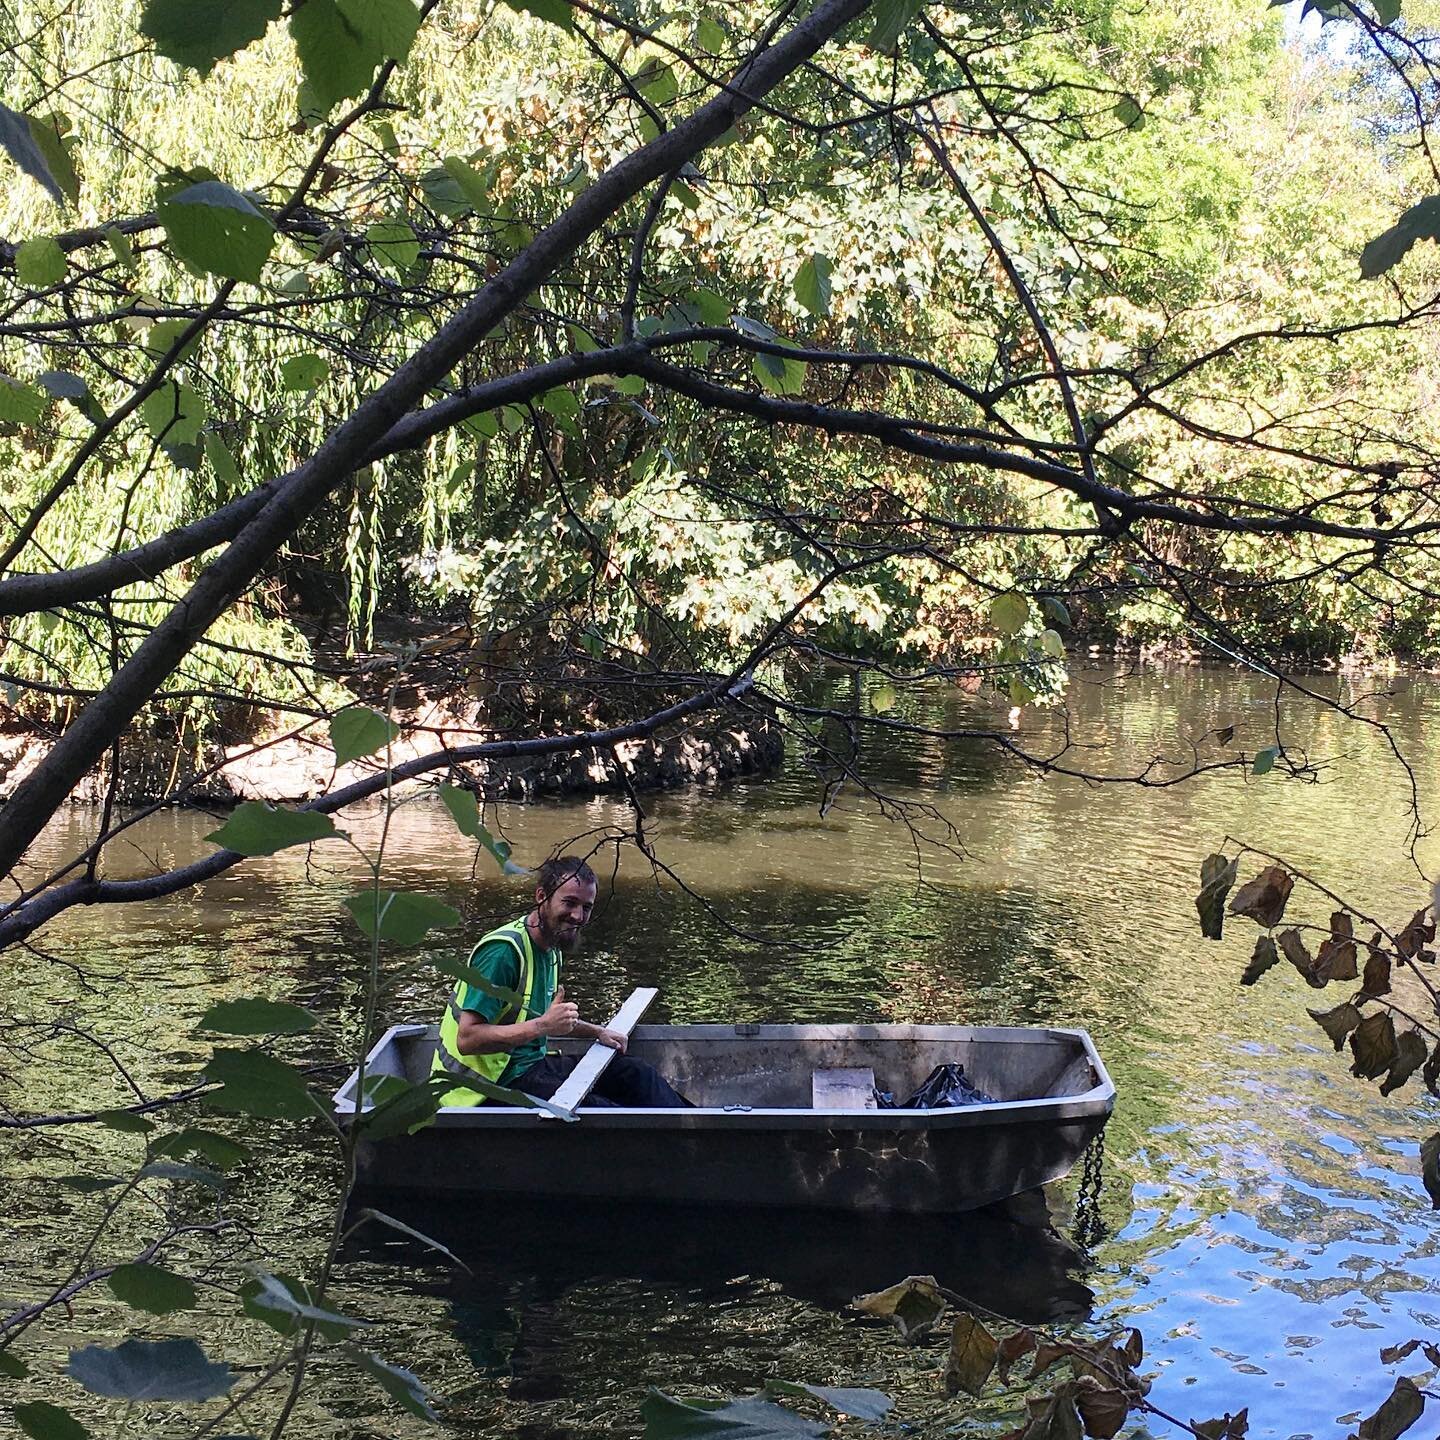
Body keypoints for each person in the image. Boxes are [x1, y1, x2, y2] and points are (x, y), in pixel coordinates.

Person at [431, 855, 690, 1108]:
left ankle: (698, 1128)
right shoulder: (503, 953)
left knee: (635, 1073)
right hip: (479, 1091)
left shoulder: (552, 945)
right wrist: (543, 1025)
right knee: (602, 1111)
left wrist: (597, 1032)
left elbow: (545, 1018)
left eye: (586, 907)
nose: (577, 916)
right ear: (541, 897)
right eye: (569, 903)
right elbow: (467, 1039)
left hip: (528, 1068)